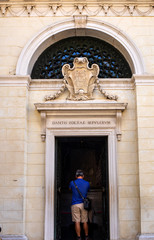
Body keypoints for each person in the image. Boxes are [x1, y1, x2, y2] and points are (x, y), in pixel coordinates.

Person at [69, 169, 90, 240]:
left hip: (75, 204)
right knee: (85, 221)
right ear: (83, 176)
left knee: (77, 221)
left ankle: (79, 237)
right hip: (84, 204)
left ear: (76, 176)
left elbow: (70, 189)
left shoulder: (72, 183)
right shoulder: (87, 183)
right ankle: (86, 236)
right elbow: (88, 190)